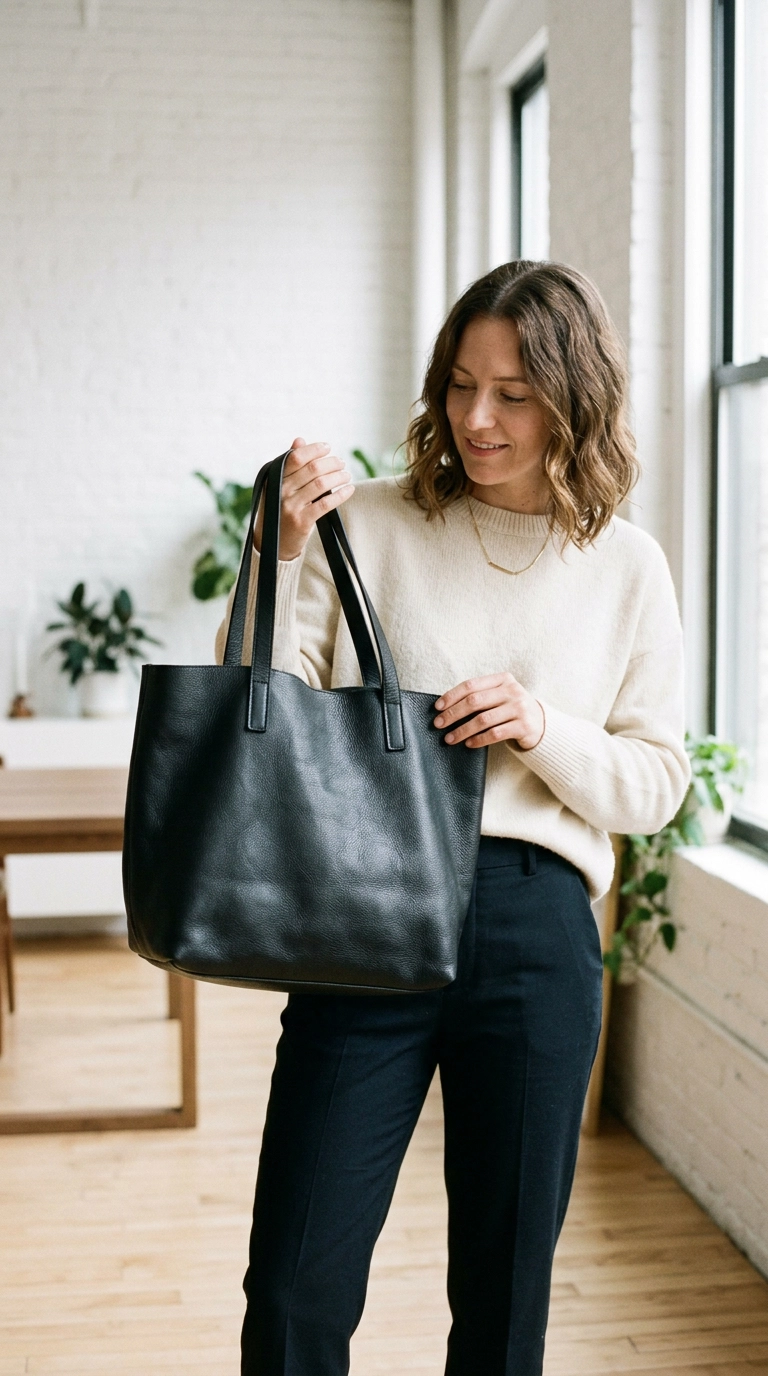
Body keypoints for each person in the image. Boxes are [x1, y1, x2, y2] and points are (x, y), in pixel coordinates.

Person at [216, 260, 691, 1376]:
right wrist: (276, 548)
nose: (479, 418)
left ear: (575, 397)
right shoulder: (367, 525)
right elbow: (260, 704)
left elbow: (658, 779)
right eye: (462, 385)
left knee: (504, 1292)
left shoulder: (627, 566)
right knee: (291, 1284)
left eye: (515, 393)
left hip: (535, 932)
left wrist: (542, 724)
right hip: (365, 916)